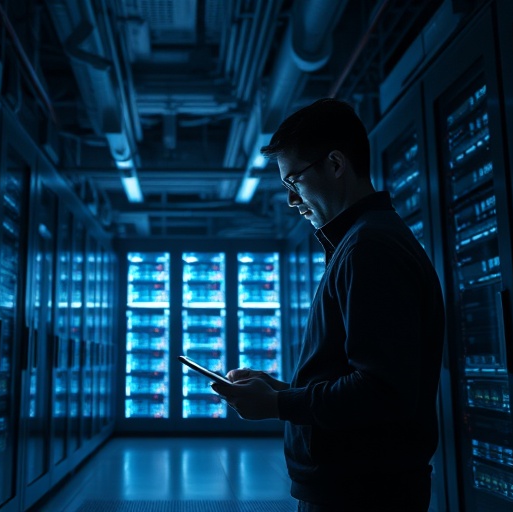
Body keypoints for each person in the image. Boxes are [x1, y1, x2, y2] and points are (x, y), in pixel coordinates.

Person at [212, 98, 445, 511]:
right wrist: (281, 390)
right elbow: (357, 377)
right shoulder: (361, 242)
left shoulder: (368, 247)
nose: (290, 200)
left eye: (294, 182)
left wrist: (278, 405)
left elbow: (381, 391)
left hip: (361, 493)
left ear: (336, 164)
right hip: (357, 486)